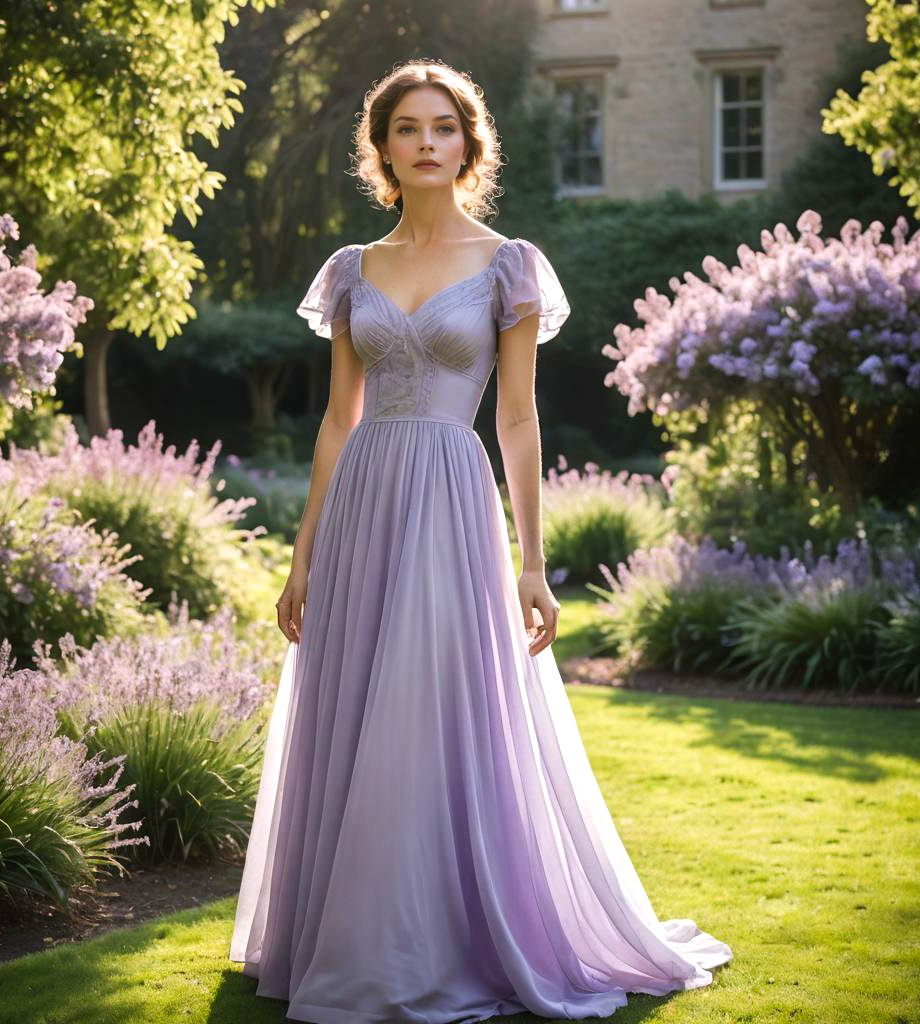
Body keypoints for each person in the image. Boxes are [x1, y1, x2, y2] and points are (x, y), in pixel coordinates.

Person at [229, 58, 732, 1023]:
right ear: (381, 148)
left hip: (455, 504)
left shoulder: (510, 263)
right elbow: (337, 421)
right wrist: (300, 558)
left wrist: (533, 565)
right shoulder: (351, 270)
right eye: (409, 128)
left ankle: (446, 938)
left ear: (470, 144)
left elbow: (517, 421)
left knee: (438, 711)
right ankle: (353, 937)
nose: (427, 142)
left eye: (445, 127)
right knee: (356, 707)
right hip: (365, 503)